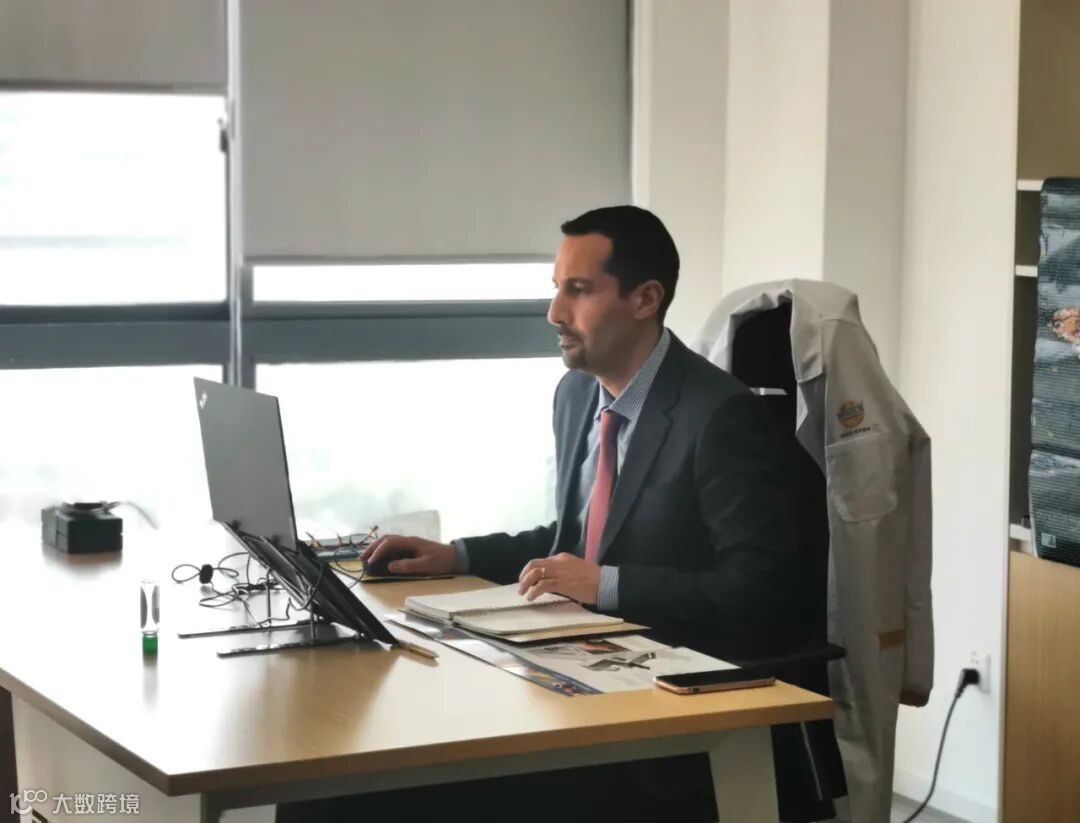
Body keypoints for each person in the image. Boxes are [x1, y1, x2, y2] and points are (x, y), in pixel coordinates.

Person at [278, 206, 814, 823]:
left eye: (578, 290)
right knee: (327, 774)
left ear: (645, 299)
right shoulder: (578, 394)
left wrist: (606, 583)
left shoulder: (719, 416)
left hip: (661, 717)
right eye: (556, 288)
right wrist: (458, 555)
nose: (555, 312)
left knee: (358, 793)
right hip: (570, 673)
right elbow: (573, 539)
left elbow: (759, 592)